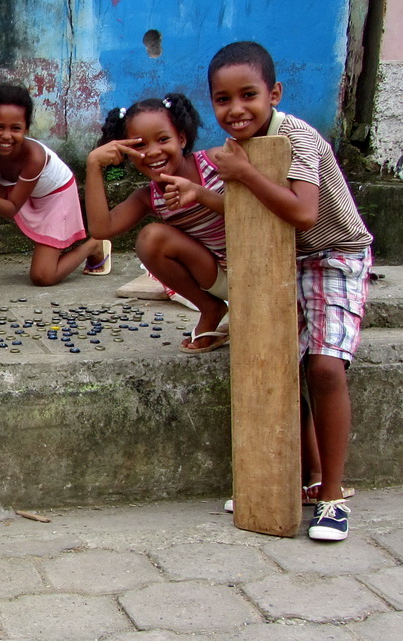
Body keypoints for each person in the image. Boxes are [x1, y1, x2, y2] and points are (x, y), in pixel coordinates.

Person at [208, 41, 374, 541]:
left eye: (248, 95)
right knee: (280, 368)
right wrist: (206, 191)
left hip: (335, 255)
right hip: (281, 257)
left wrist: (242, 174)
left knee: (324, 366)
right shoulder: (238, 152)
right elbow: (253, 210)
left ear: (274, 93)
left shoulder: (295, 136)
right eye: (222, 99)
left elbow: (302, 213)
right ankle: (290, 481)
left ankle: (332, 495)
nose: (236, 109)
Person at [85, 93, 231, 353]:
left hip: (263, 269)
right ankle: (210, 308)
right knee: (151, 238)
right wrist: (94, 165)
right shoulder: (148, 198)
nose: (153, 152)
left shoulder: (218, 162)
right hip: (222, 277)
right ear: (127, 153)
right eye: (139, 146)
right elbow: (101, 229)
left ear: (182, 139)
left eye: (163, 139)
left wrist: (199, 193)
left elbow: (257, 211)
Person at [0, 83, 109, 292]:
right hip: (19, 193)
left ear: (26, 129)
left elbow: (11, 208)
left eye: (16, 128)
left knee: (43, 276)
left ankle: (93, 245)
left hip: (55, 198)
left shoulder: (34, 157)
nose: (6, 136)